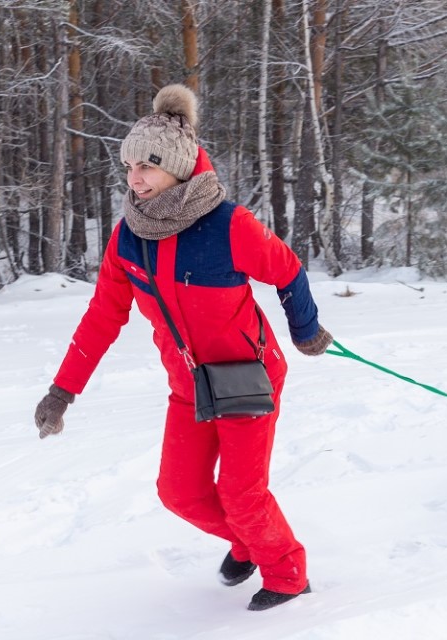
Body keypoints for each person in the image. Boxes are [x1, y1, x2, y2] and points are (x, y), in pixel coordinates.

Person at [33, 84, 332, 611]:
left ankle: (287, 573)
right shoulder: (129, 236)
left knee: (242, 494)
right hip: (189, 385)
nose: (134, 178)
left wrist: (305, 330)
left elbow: (287, 270)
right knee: (180, 493)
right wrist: (63, 391)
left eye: (146, 167)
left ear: (177, 166)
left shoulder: (228, 225)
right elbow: (103, 316)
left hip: (247, 376)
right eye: (129, 167)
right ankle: (246, 540)